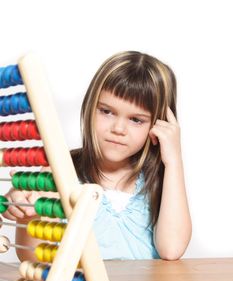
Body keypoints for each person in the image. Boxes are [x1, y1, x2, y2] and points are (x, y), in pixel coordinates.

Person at [2, 51, 192, 261]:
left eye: (136, 120)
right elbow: (33, 259)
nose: (119, 128)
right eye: (107, 111)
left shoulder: (160, 181)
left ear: (159, 124)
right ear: (90, 108)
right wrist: (30, 213)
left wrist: (174, 161)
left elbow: (171, 250)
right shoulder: (61, 171)